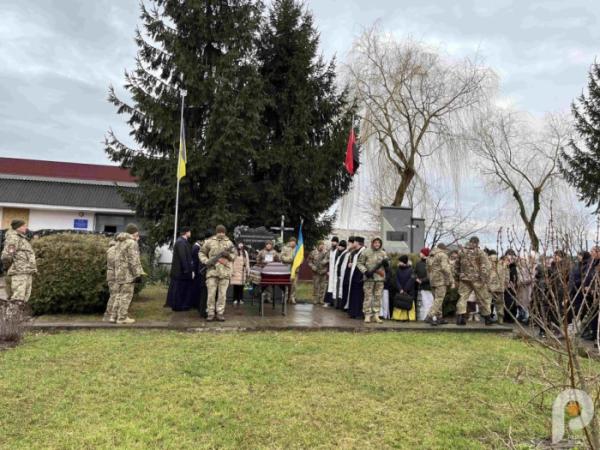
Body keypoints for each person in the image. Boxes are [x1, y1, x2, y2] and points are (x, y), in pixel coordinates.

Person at [200, 225, 235, 321]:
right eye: (219, 232)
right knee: (211, 294)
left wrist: (228, 256)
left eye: (223, 232)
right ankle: (210, 313)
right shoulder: (209, 241)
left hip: (224, 272)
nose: (221, 234)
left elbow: (234, 255)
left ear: (225, 232)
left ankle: (220, 313)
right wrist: (206, 261)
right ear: (216, 232)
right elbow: (202, 252)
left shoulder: (229, 243)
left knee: (222, 295)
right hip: (212, 272)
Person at [456, 236, 493, 326]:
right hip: (478, 279)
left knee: (463, 297)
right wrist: (484, 278)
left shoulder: (461, 252)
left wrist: (458, 276)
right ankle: (487, 318)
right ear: (477, 243)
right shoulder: (480, 252)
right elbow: (486, 266)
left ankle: (461, 317)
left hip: (464, 278)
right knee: (482, 298)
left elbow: (456, 266)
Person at [113, 223, 145, 324]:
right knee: (126, 296)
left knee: (119, 295)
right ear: (134, 232)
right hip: (128, 274)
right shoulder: (132, 243)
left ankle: (114, 316)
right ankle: (122, 318)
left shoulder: (118, 241)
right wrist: (138, 274)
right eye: (137, 232)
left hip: (119, 272)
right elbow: (133, 260)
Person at [0, 219, 37, 306]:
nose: (26, 228)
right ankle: (11, 318)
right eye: (23, 226)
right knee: (17, 300)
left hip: (26, 271)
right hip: (19, 272)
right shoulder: (13, 238)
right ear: (18, 227)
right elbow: (6, 256)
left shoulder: (22, 238)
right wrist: (11, 266)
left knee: (23, 300)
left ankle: (18, 318)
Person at [357, 237, 388, 323]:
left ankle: (376, 315)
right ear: (372, 243)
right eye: (375, 242)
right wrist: (365, 271)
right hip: (369, 279)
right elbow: (359, 263)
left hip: (379, 279)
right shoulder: (366, 252)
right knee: (368, 297)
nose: (377, 244)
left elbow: (387, 264)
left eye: (379, 243)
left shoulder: (383, 253)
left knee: (378, 297)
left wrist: (387, 264)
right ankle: (367, 315)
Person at [166, 227, 195, 311]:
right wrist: (186, 269)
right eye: (189, 231)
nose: (190, 233)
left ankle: (180, 305)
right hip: (180, 272)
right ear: (186, 232)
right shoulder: (181, 242)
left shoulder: (182, 242)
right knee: (178, 289)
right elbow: (183, 257)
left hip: (181, 272)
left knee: (181, 289)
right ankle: (178, 306)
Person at [425, 243, 454, 326]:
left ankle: (439, 317)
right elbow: (445, 268)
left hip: (432, 280)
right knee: (439, 299)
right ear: (444, 249)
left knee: (436, 299)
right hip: (440, 280)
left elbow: (427, 269)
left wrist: (430, 278)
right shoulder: (442, 255)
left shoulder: (430, 256)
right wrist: (451, 280)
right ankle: (430, 316)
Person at [346, 236, 367, 319]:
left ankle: (358, 313)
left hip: (360, 276)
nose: (353, 243)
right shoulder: (355, 252)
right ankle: (353, 312)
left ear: (358, 243)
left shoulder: (363, 252)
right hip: (354, 275)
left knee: (359, 295)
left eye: (354, 242)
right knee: (354, 294)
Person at [487, 250, 509, 324]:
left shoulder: (488, 265)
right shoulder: (503, 265)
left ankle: (488, 318)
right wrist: (505, 284)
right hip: (500, 287)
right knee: (500, 304)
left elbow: (484, 275)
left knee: (488, 303)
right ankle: (500, 319)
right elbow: (507, 276)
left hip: (489, 287)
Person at [192, 233, 209, 318]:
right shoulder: (204, 248)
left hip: (203, 273)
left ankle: (202, 310)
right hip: (204, 273)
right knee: (204, 293)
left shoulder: (203, 248)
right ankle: (203, 311)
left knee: (204, 293)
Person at [415, 247, 432, 321]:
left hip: (429, 287)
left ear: (424, 254)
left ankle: (429, 317)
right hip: (421, 287)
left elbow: (431, 275)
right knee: (423, 303)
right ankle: (423, 318)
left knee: (430, 302)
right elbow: (414, 272)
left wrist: (422, 280)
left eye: (421, 252)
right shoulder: (418, 263)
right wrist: (416, 278)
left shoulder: (430, 263)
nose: (420, 254)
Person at [336, 237, 354, 309]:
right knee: (343, 290)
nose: (349, 244)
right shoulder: (346, 252)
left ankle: (346, 305)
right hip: (344, 274)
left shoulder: (353, 252)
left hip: (349, 275)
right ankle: (342, 305)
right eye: (349, 242)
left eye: (350, 242)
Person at [308, 241, 328, 305]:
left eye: (323, 245)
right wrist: (312, 266)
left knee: (322, 287)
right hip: (316, 272)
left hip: (323, 272)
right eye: (321, 245)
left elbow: (329, 261)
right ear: (318, 245)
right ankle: (315, 300)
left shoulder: (326, 253)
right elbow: (309, 261)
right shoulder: (313, 252)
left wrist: (326, 262)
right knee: (315, 286)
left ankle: (321, 299)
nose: (322, 246)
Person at [102, 240, 118, 322]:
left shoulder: (115, 249)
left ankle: (112, 314)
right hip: (113, 275)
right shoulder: (113, 249)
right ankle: (108, 315)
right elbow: (114, 262)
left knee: (115, 295)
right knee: (114, 295)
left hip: (114, 274)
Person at [280, 237, 299, 304]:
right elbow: (281, 257)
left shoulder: (298, 249)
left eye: (294, 241)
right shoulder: (285, 248)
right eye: (291, 241)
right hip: (286, 269)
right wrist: (289, 259)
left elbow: (301, 258)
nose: (292, 243)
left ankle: (292, 298)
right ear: (289, 242)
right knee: (285, 284)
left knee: (294, 285)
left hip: (295, 270)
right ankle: (285, 298)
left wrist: (297, 261)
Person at [324, 237, 340, 307]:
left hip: (336, 272)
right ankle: (327, 301)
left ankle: (334, 302)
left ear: (337, 242)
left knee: (335, 287)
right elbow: (328, 261)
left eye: (335, 241)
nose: (333, 243)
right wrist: (328, 270)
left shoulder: (338, 250)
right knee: (329, 287)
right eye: (332, 241)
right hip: (330, 271)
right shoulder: (330, 250)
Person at [332, 240, 348, 308]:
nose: (339, 247)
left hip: (340, 275)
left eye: (341, 246)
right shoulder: (338, 252)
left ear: (344, 247)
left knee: (339, 290)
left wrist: (339, 274)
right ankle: (336, 304)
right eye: (339, 246)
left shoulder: (344, 254)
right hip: (337, 274)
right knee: (336, 289)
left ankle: (339, 305)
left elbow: (341, 265)